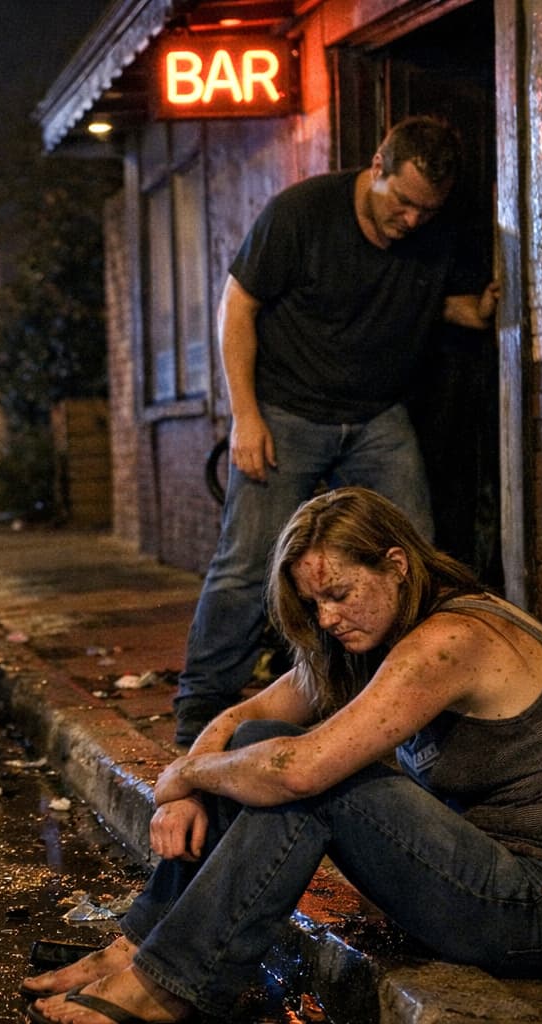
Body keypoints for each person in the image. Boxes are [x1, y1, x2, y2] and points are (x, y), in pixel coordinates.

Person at [21, 486, 542, 1024]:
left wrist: (184, 772)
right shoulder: (374, 630)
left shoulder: (452, 639)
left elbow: (301, 771)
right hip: (489, 883)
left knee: (305, 781)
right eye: (314, 604)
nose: (327, 617)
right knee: (257, 750)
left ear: (395, 564)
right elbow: (244, 719)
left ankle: (165, 986)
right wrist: (187, 790)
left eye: (339, 593)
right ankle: (138, 946)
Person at [174, 115, 501, 745]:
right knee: (247, 565)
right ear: (377, 165)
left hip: (377, 415)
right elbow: (237, 304)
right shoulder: (302, 213)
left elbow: (418, 302)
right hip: (287, 411)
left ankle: (411, 703)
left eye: (424, 211)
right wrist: (245, 413)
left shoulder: (429, 236)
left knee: (413, 558)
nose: (411, 221)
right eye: (402, 202)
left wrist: (476, 311)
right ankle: (202, 707)